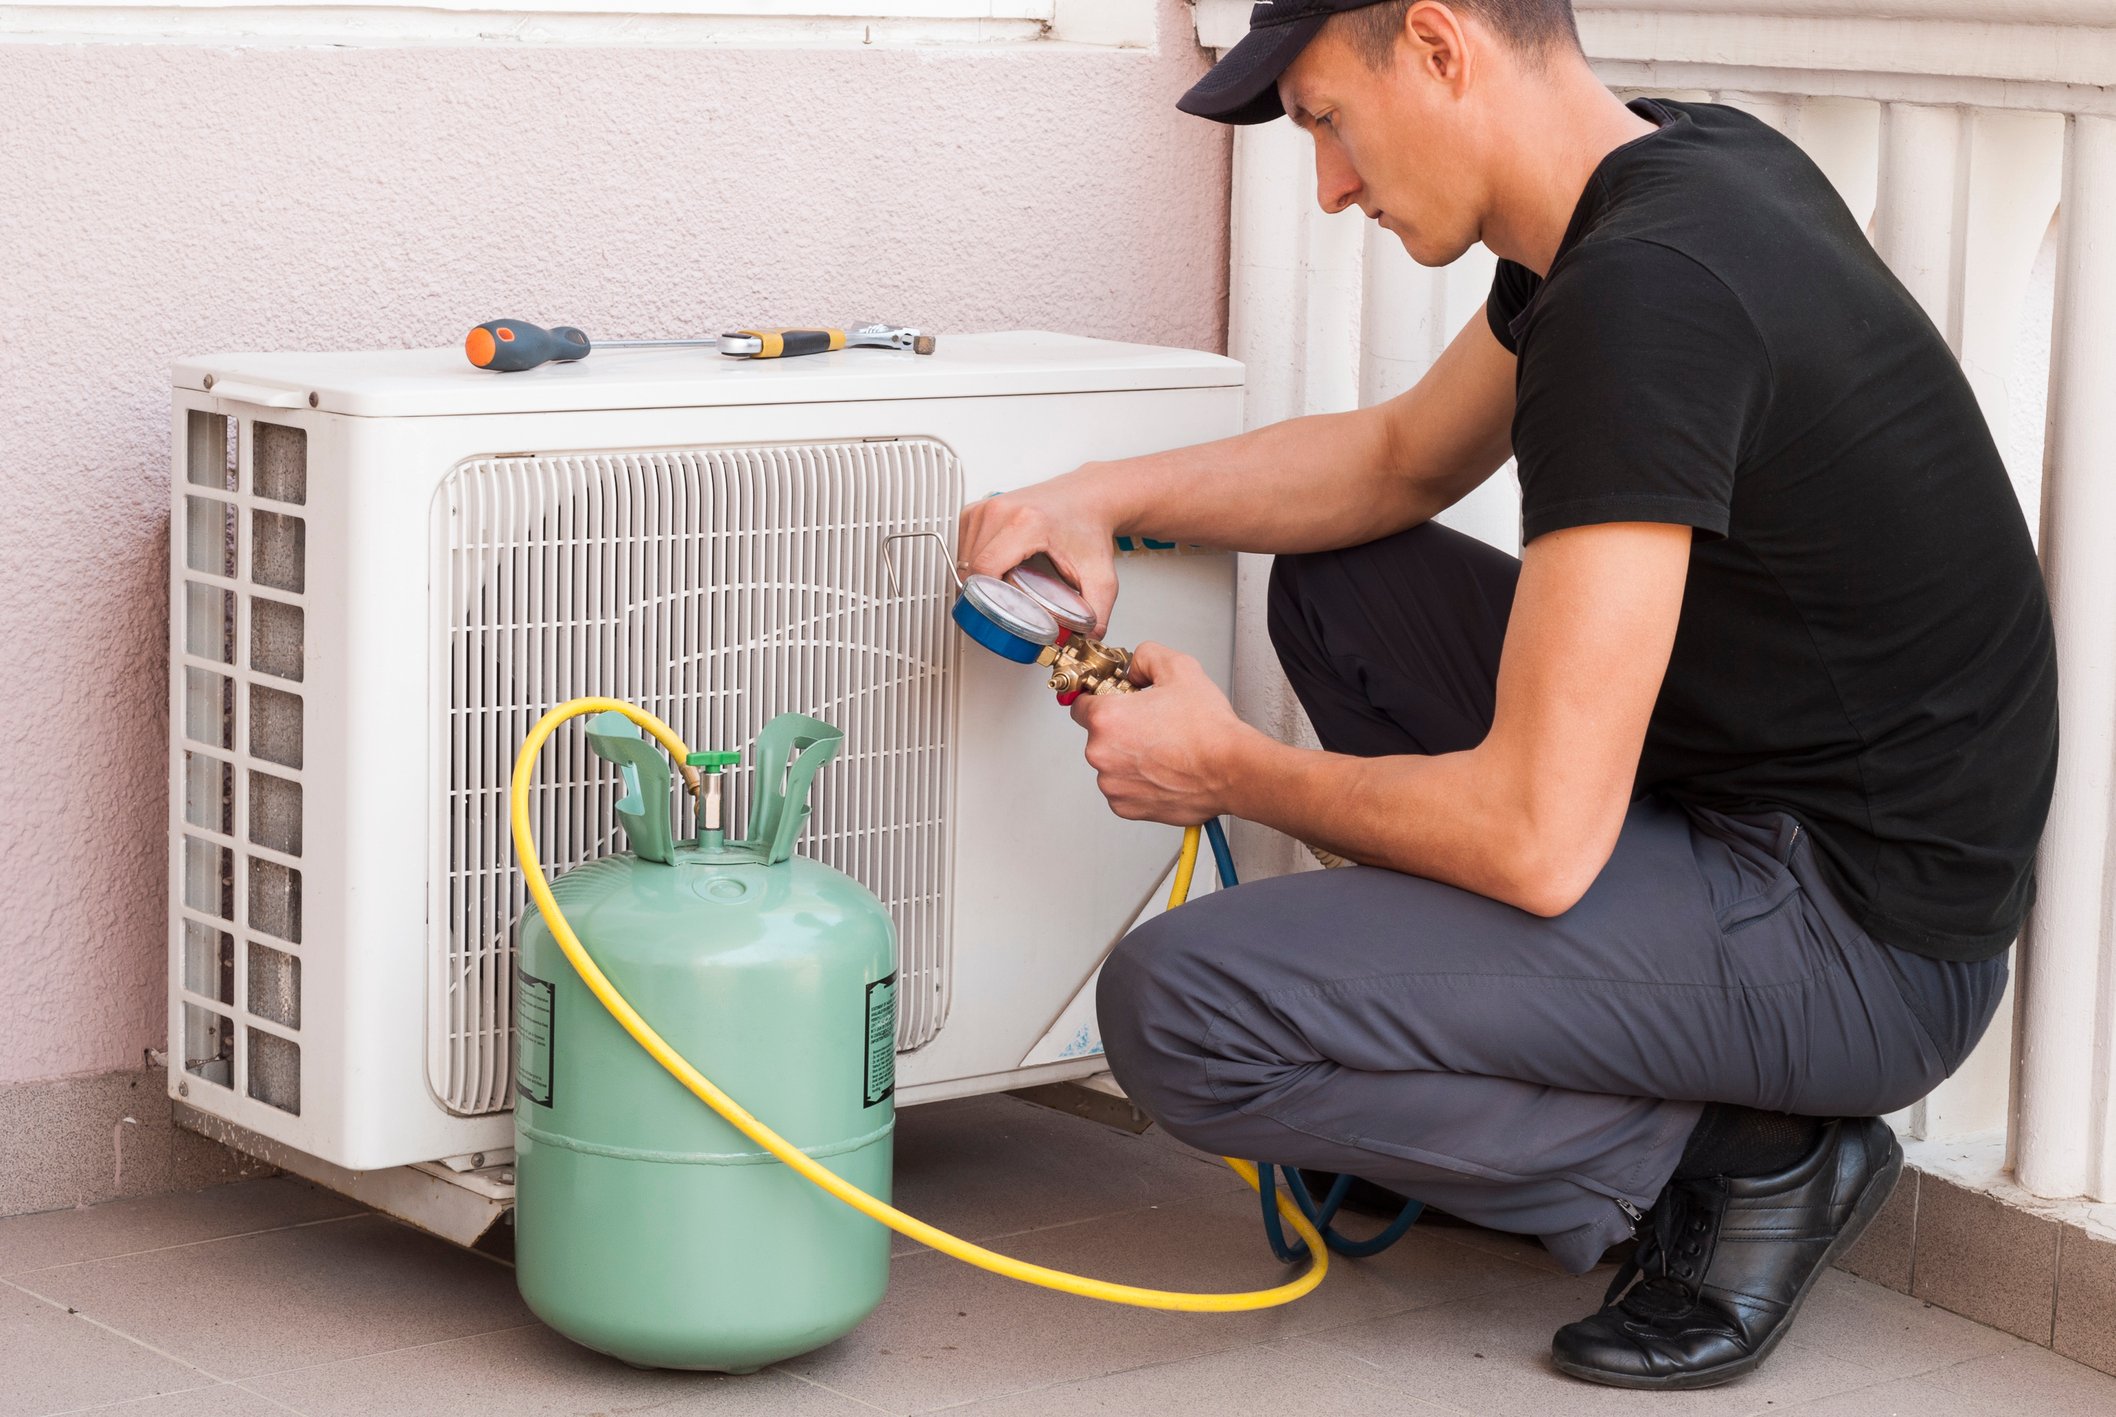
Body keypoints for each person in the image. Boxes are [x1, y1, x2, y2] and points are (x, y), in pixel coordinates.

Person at [956, 0, 2057, 1392]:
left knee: (1178, 1005)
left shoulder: (1645, 294)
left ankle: (1742, 1155)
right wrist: (1093, 497)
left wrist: (1225, 767)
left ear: (1436, 44)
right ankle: (1574, 1062)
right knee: (1340, 590)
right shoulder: (1663, 173)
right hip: (1751, 795)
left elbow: (1538, 838)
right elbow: (1402, 459)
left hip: (1861, 936)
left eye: (1326, 123)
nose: (1332, 184)